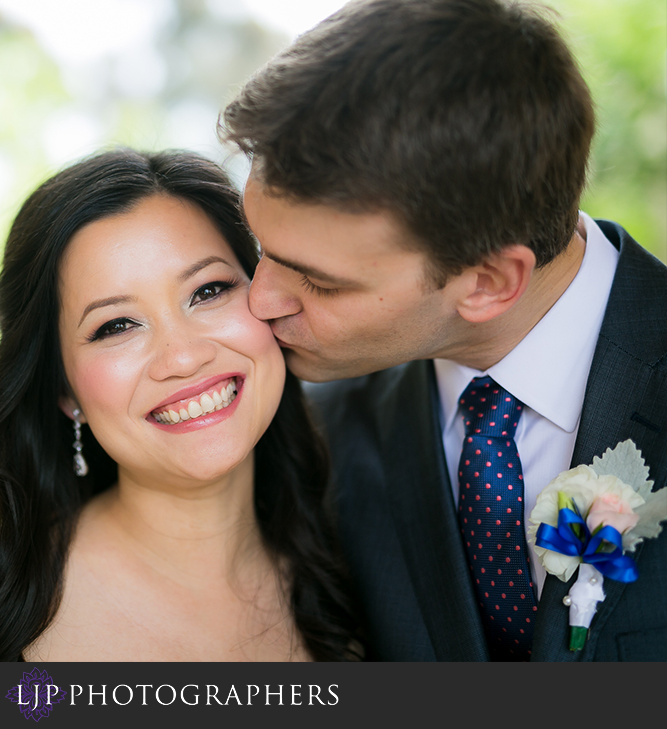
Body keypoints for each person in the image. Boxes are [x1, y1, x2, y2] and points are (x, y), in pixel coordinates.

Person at [220, 0, 666, 661]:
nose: (258, 301)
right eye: (262, 249)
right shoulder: (306, 435)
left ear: (487, 282)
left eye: (317, 279)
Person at [0, 149, 362, 662]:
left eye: (208, 290)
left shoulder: (366, 553)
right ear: (64, 390)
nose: (182, 356)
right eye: (116, 326)